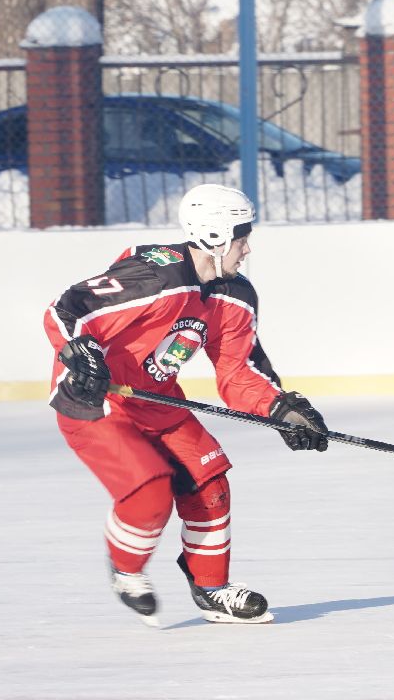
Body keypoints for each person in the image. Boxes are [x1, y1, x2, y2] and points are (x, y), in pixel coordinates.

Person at [42, 183, 329, 626]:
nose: (247, 248)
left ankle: (211, 588)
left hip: (157, 400)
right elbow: (68, 310)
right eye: (241, 237)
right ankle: (127, 570)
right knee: (150, 493)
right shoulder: (154, 275)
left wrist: (281, 410)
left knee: (209, 484)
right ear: (214, 237)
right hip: (99, 401)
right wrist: (80, 354)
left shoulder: (235, 296)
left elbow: (238, 373)